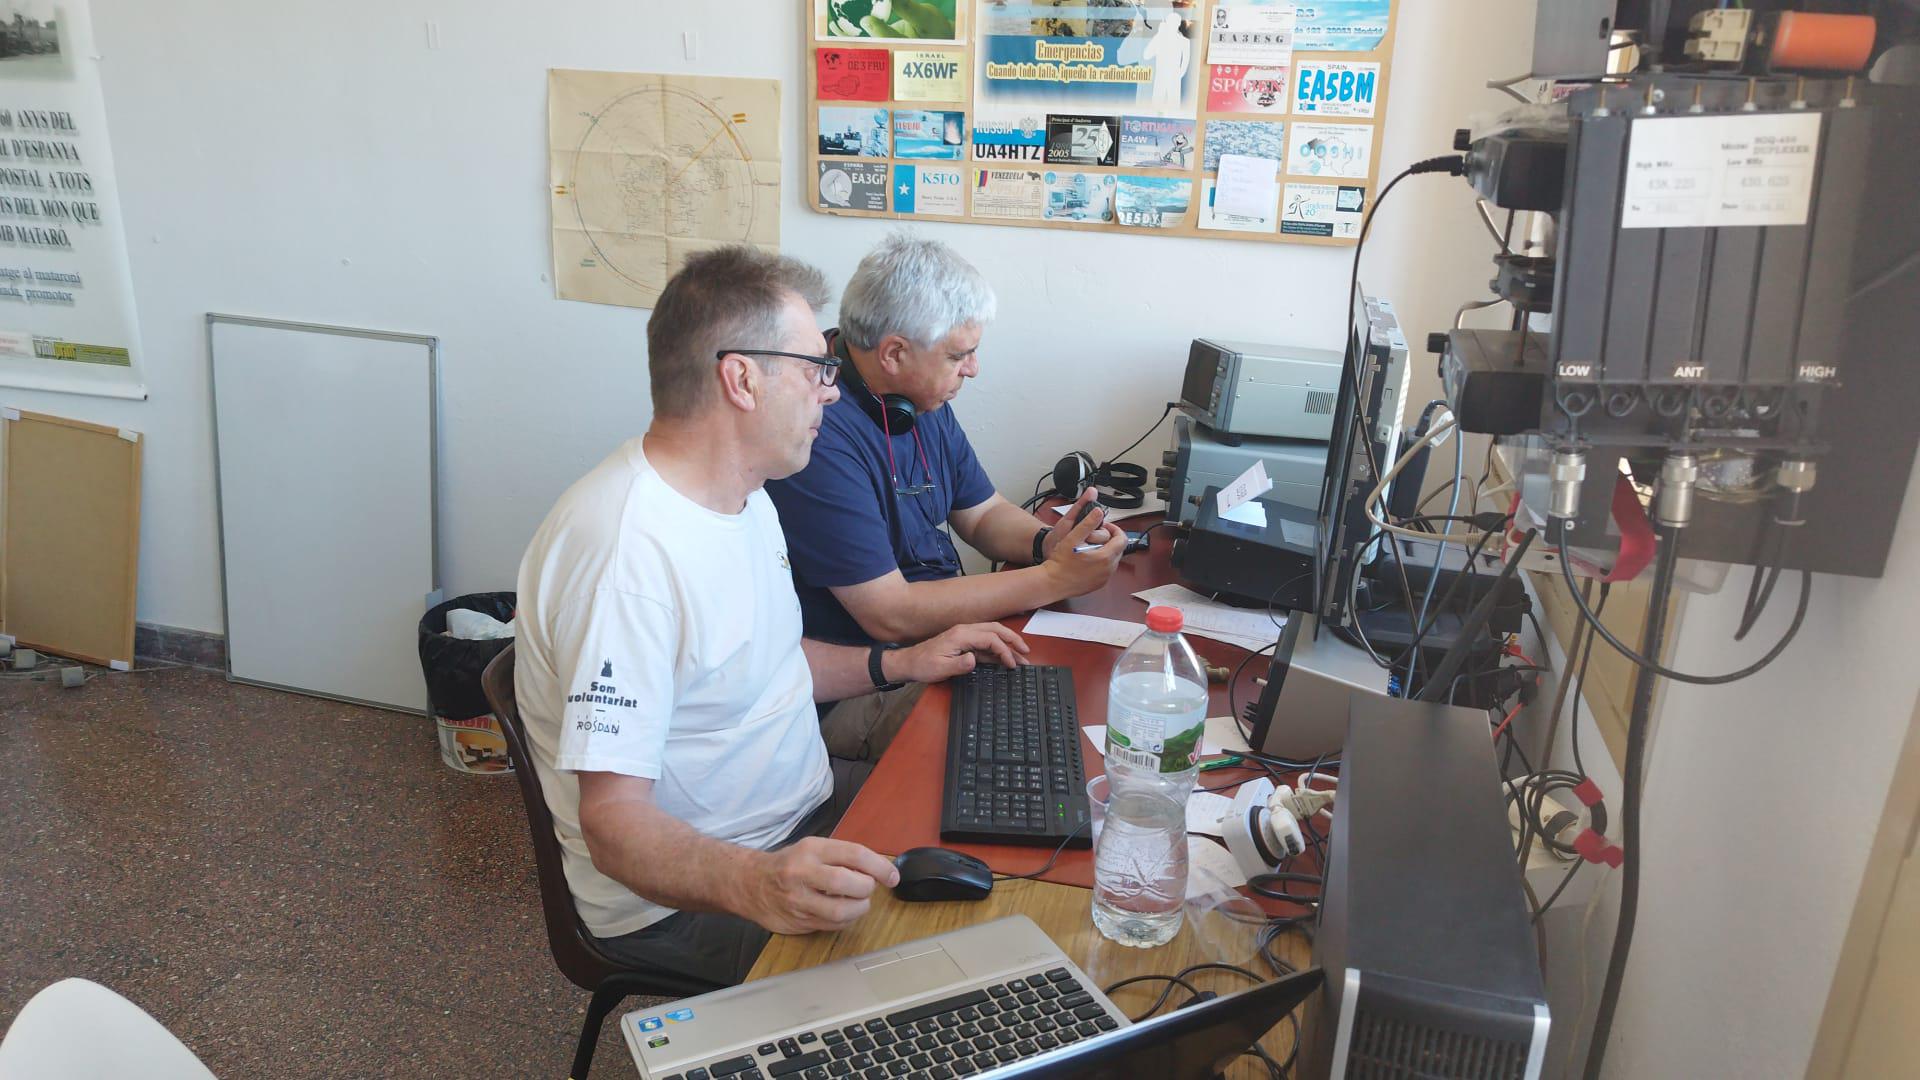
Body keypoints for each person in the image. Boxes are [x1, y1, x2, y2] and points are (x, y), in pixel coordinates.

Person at [513, 246, 1029, 987]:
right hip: (689, 899)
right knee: (957, 974)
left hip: (799, 819)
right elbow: (614, 826)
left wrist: (899, 664)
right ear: (742, 379)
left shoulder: (746, 494)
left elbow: (765, 659)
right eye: (816, 368)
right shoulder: (624, 560)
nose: (831, 392)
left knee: (1009, 858)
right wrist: (759, 883)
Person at [765, 234, 1125, 763]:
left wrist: (1050, 543)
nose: (973, 368)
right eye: (959, 355)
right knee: (1042, 740)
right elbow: (891, 614)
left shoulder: (918, 400)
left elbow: (983, 514)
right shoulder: (817, 430)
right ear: (894, 353)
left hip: (932, 642)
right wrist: (1053, 580)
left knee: (1077, 695)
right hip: (859, 682)